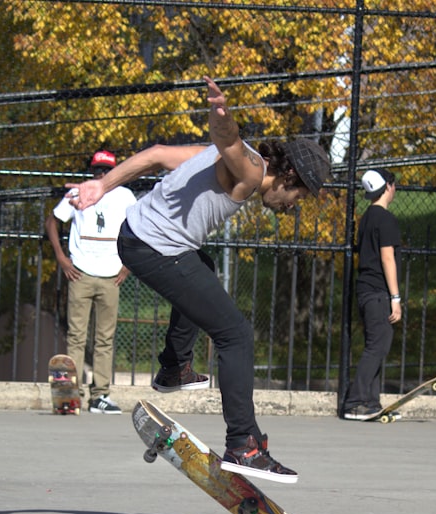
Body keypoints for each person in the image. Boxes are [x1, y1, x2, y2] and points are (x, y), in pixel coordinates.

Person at [67, 77, 332, 482]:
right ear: (288, 178)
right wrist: (221, 116)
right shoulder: (250, 169)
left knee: (202, 269)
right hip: (153, 248)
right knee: (237, 335)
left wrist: (101, 185)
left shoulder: (221, 158)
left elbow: (155, 155)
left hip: (136, 236)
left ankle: (174, 368)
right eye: (297, 197)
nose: (291, 206)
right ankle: (244, 444)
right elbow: (228, 140)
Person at [46, 150, 136, 414]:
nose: (102, 175)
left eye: (107, 170)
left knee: (105, 338)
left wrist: (128, 265)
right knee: (76, 335)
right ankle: (72, 394)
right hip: (81, 272)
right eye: (98, 170)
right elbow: (52, 222)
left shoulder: (125, 196)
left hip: (112, 275)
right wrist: (62, 259)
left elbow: (139, 228)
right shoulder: (78, 192)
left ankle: (100, 396)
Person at [342, 169, 403, 420]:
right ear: (388, 187)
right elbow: (387, 258)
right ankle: (355, 402)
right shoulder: (385, 219)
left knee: (376, 345)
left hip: (366, 291)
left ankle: (370, 402)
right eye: (394, 185)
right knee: (377, 346)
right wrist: (395, 298)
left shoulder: (367, 217)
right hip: (378, 292)